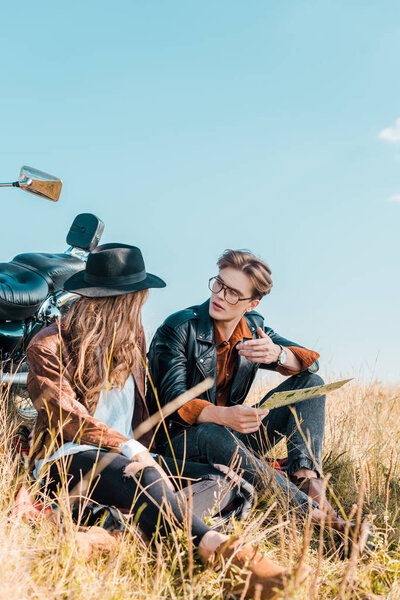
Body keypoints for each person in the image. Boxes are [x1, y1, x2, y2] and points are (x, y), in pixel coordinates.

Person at [26, 243, 307, 600]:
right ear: (118, 299)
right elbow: (65, 416)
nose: (142, 304)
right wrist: (130, 447)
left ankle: (114, 538)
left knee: (228, 481)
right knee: (142, 474)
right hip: (67, 458)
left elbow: (151, 409)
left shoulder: (130, 339)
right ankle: (217, 549)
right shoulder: (49, 343)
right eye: (138, 297)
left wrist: (145, 450)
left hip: (135, 458)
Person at [147, 249, 350, 529]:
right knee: (214, 432)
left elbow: (310, 363)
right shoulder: (180, 327)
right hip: (177, 441)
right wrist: (222, 416)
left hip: (232, 434)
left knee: (311, 385)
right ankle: (311, 512)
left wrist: (277, 354)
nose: (219, 295)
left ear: (251, 304)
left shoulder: (254, 328)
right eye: (218, 283)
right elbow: (172, 401)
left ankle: (307, 479)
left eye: (233, 293)